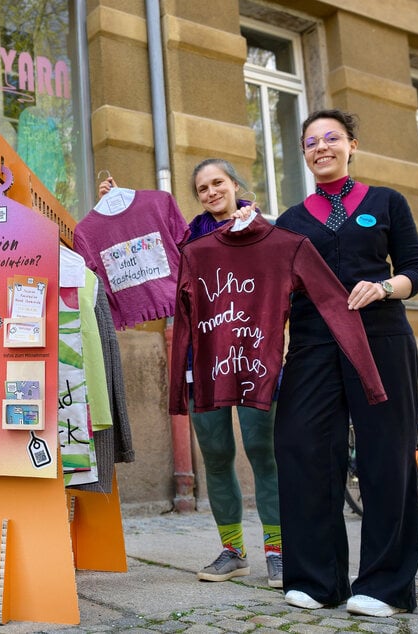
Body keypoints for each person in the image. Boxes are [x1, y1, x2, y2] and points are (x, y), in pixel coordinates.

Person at [273, 109, 418, 617]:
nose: (321, 146)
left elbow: (417, 270)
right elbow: (270, 289)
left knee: (387, 457)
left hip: (380, 336)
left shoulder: (387, 202)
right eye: (311, 141)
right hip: (314, 344)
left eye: (332, 137)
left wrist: (385, 287)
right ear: (303, 153)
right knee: (304, 451)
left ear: (352, 145)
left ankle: (384, 586)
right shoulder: (290, 221)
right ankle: (317, 580)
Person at [99, 164, 283, 588]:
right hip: (199, 360)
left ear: (235, 185)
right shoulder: (186, 238)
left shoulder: (265, 230)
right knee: (217, 456)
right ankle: (233, 552)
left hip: (253, 355)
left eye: (218, 182)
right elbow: (140, 241)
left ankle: (278, 551)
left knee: (262, 450)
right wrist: (115, 202)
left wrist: (250, 228)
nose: (211, 191)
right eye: (202, 188)